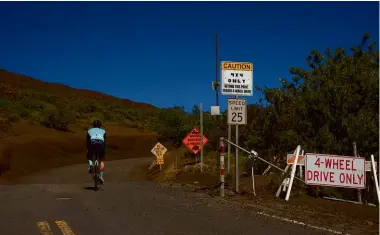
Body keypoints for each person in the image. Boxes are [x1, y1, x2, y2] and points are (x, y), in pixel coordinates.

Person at [86, 120, 106, 184]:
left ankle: (91, 165)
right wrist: (103, 149)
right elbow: (104, 141)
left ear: (93, 125)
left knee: (89, 156)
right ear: (100, 125)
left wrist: (88, 149)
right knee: (102, 160)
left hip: (92, 143)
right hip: (101, 144)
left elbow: (88, 141)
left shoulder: (89, 131)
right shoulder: (103, 131)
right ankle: (101, 176)